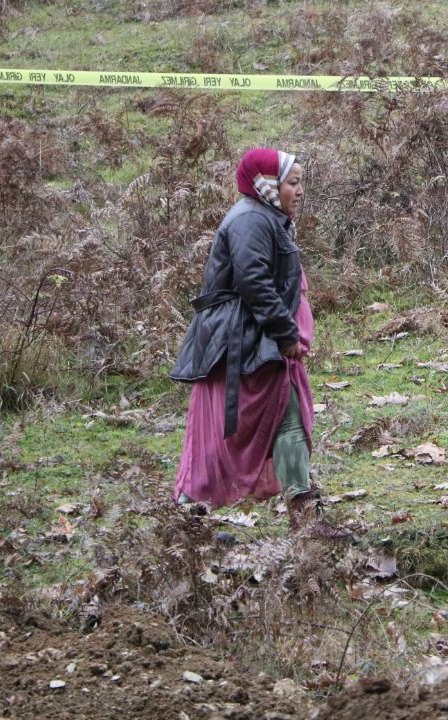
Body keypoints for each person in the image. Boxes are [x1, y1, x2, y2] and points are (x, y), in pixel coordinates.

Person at [169, 147, 346, 538]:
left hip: (252, 339)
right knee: (226, 435)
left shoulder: (267, 217)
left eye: (301, 183)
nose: (300, 191)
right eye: (293, 183)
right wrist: (285, 334)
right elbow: (253, 282)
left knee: (287, 415)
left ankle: (305, 517)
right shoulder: (251, 219)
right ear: (268, 185)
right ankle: (186, 520)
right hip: (242, 342)